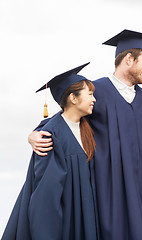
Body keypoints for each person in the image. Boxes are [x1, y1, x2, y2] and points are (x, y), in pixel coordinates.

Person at [28, 30, 142, 240]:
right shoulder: (96, 91)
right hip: (108, 186)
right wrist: (35, 133)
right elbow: (65, 115)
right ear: (128, 59)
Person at [2, 63, 99, 240]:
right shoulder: (51, 135)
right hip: (66, 224)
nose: (94, 99)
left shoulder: (86, 128)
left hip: (84, 217)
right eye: (90, 94)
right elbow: (45, 197)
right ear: (73, 98)